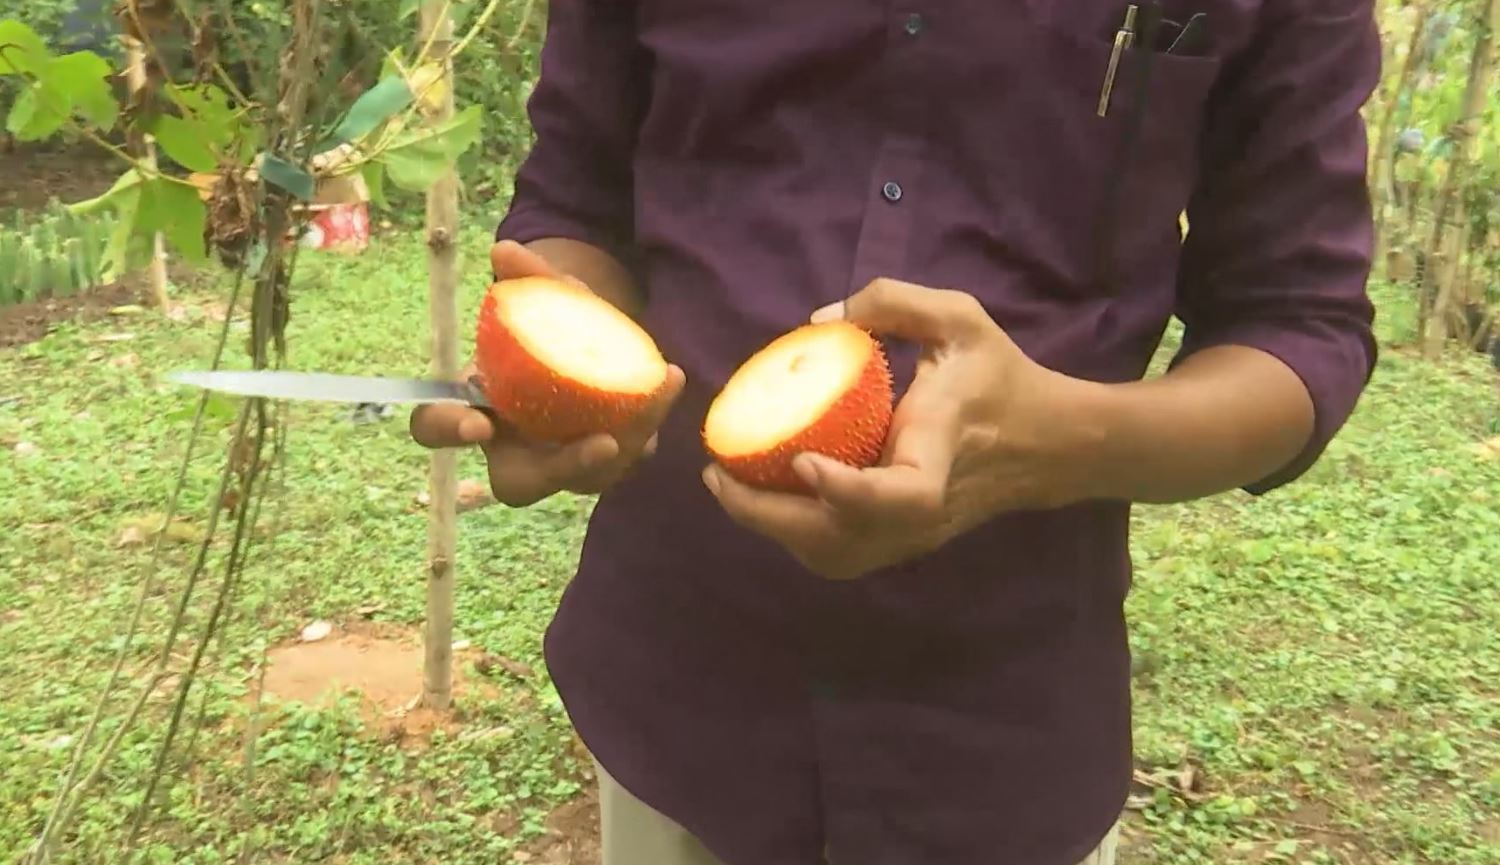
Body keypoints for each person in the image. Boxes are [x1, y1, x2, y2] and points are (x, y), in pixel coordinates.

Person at [409, 0, 1381, 862]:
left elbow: (1299, 326)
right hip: (679, 683)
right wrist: (571, 358)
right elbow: (578, 190)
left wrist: (1056, 443)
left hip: (1005, 717)